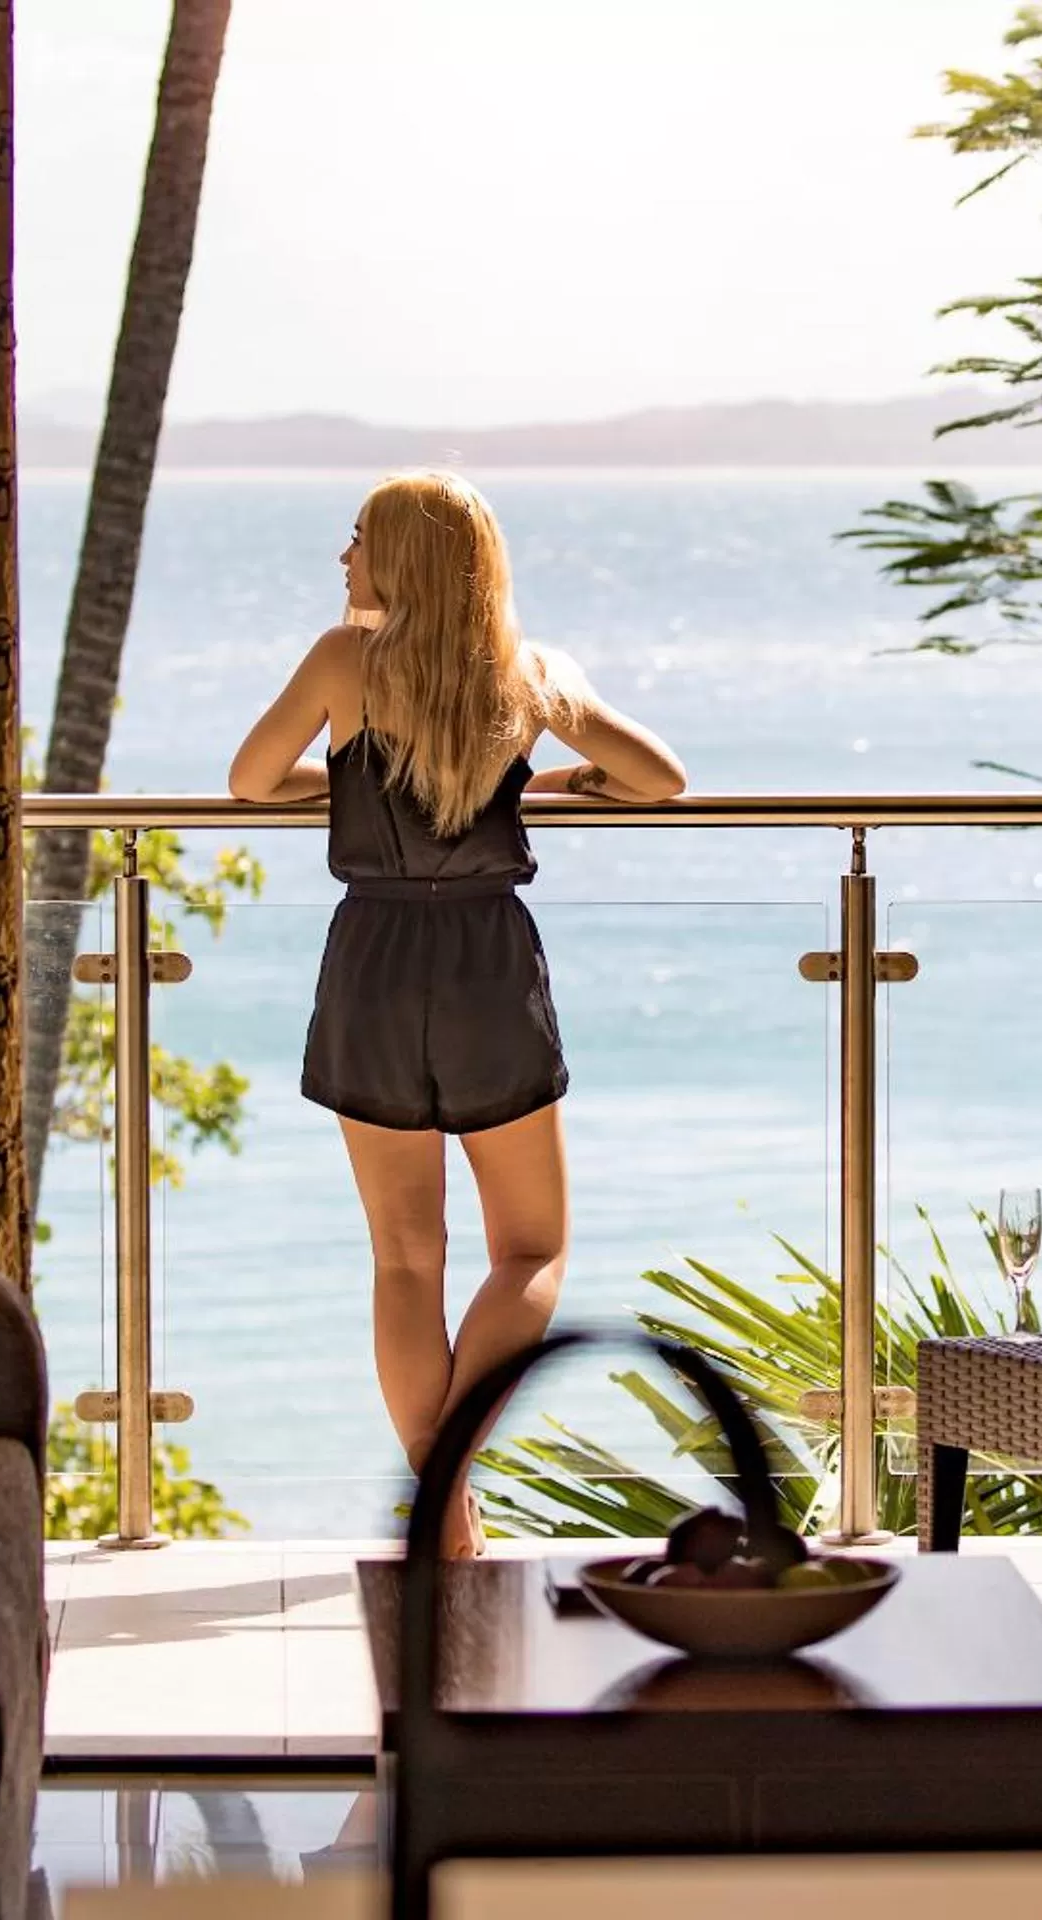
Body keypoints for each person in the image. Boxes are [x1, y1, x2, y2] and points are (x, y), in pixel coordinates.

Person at [228, 470, 686, 1556]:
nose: (343, 560)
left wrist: (341, 788)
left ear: (401, 559)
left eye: (357, 541)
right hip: (487, 964)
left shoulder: (344, 662)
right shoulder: (527, 674)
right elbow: (659, 778)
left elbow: (251, 780)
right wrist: (551, 782)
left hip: (374, 964)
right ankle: (453, 1486)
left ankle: (444, 1512)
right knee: (530, 1252)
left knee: (403, 1260)